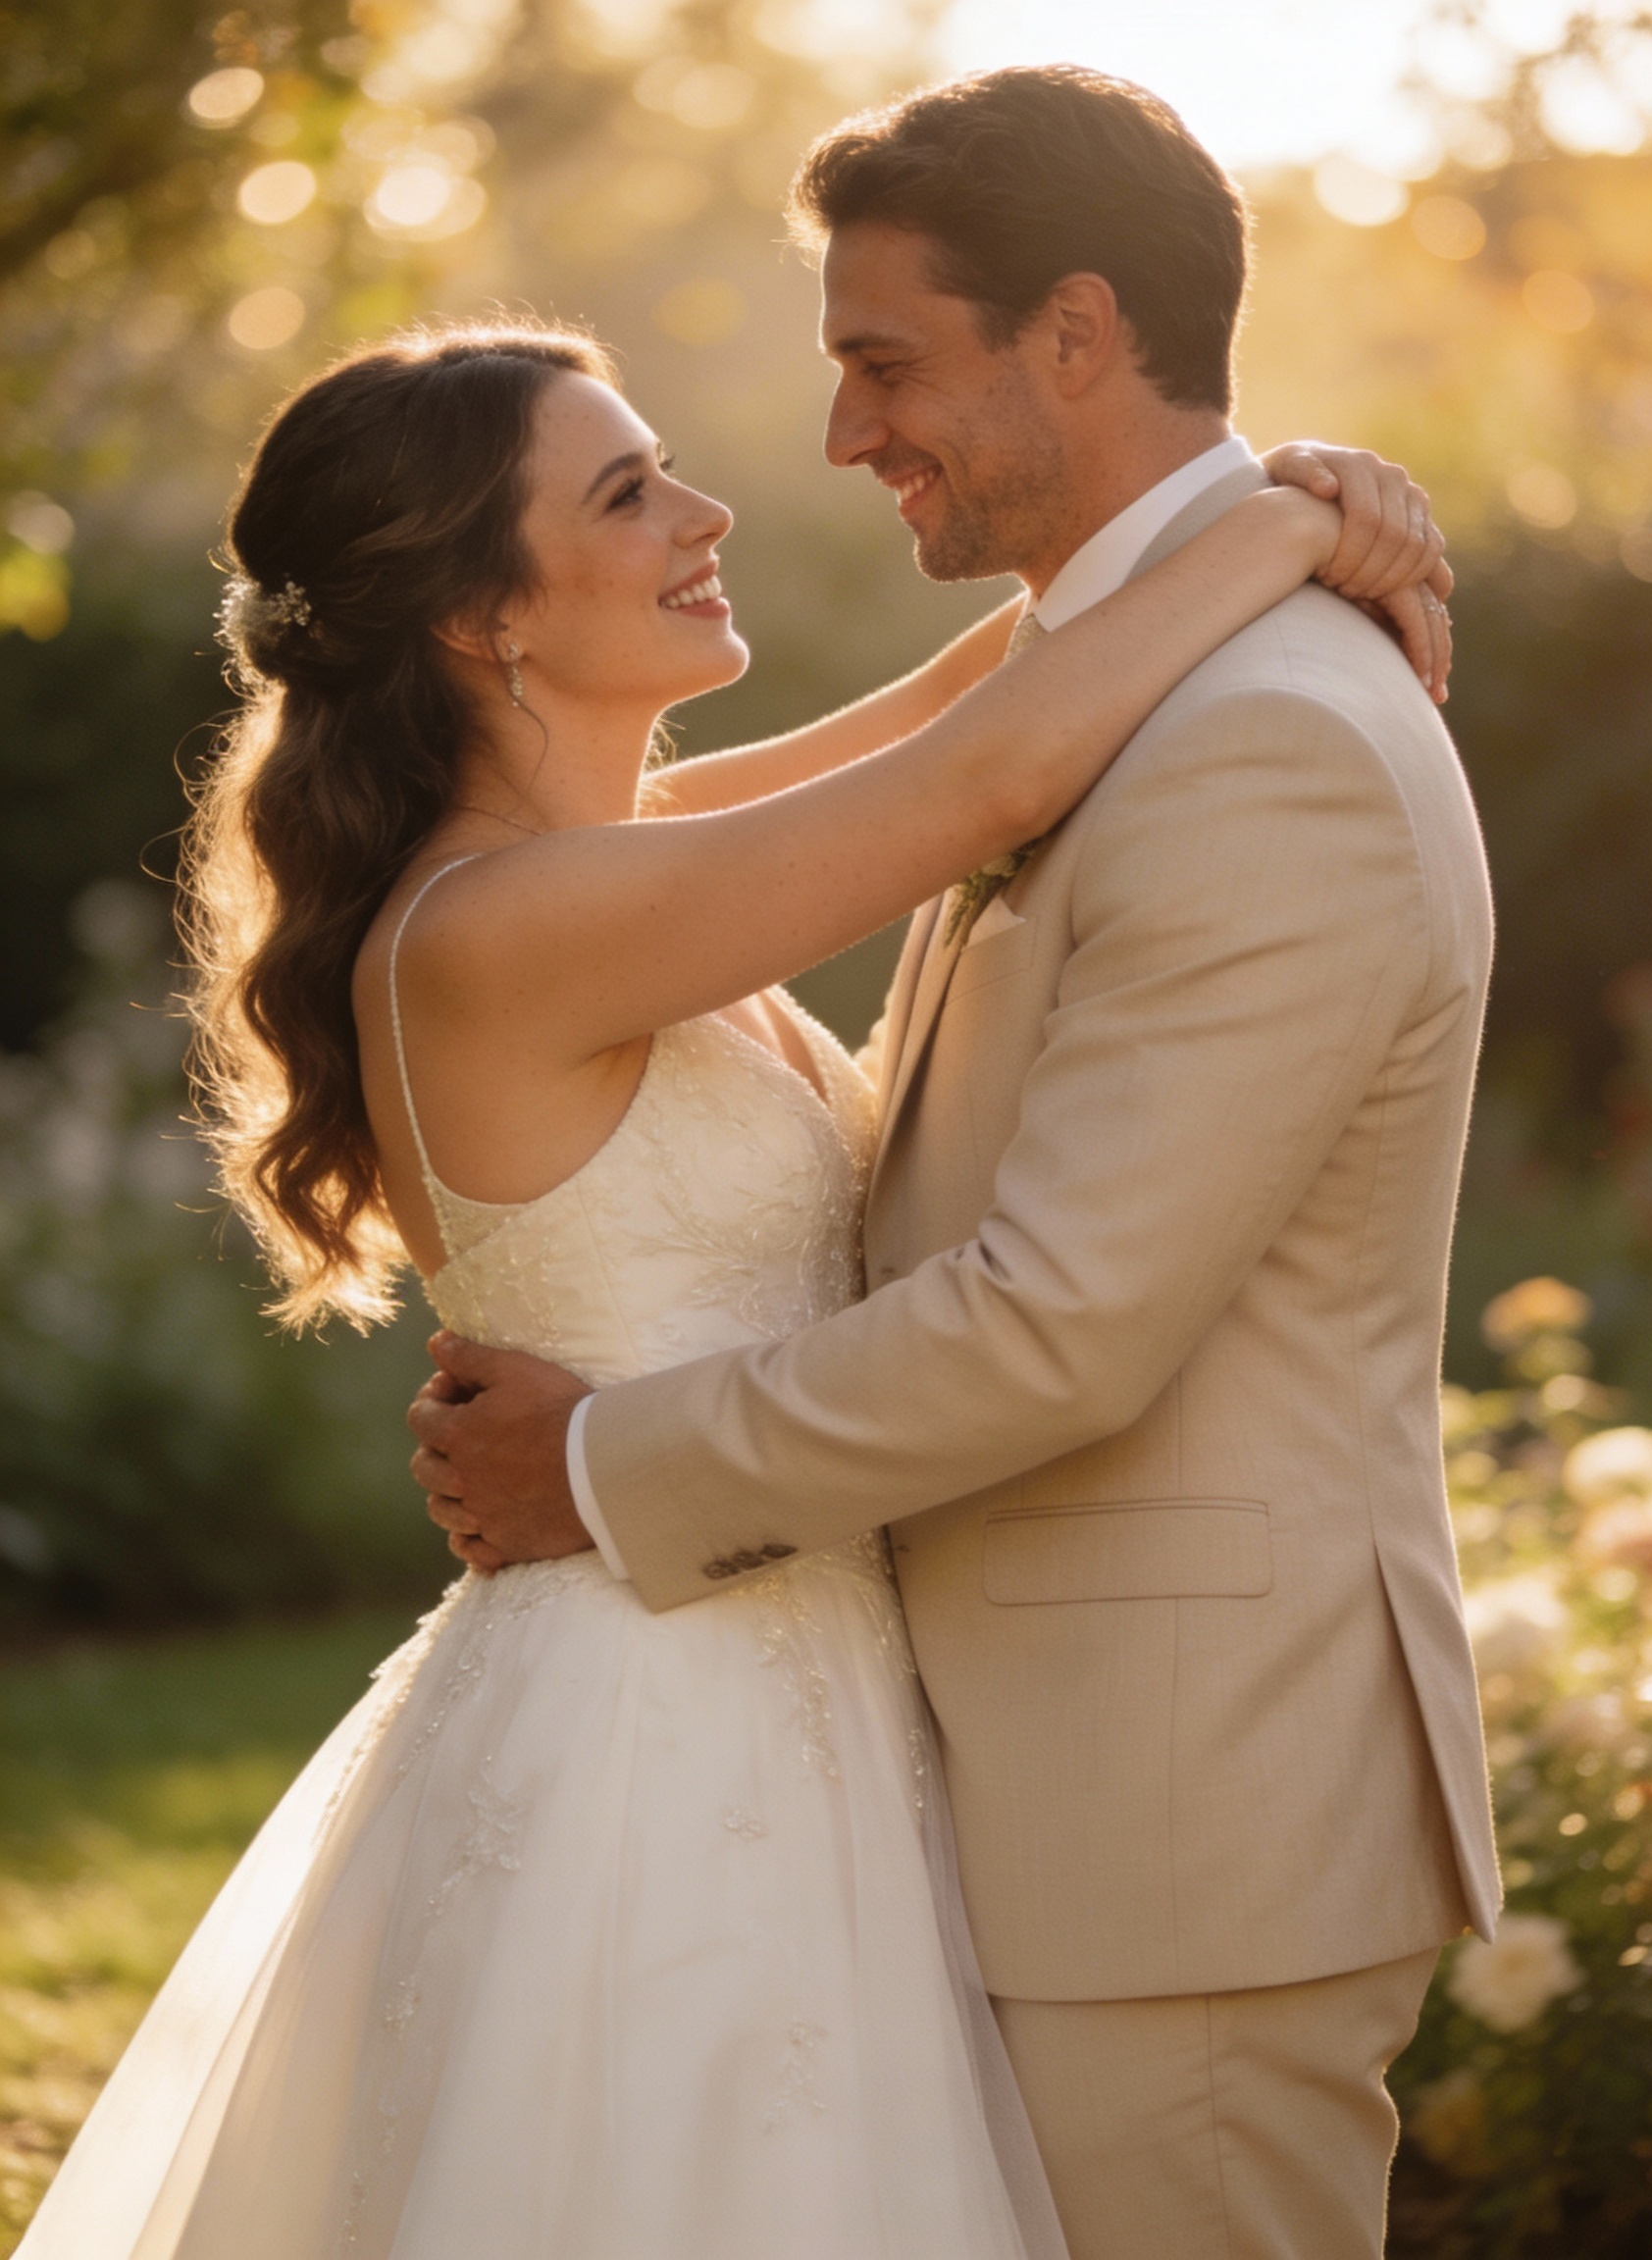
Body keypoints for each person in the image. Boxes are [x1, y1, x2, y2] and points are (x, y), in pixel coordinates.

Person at [16, 300, 1447, 2256]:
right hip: (658, 1712)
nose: (706, 508)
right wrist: (1288, 541)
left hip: (806, 1660)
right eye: (626, 492)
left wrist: (1282, 487)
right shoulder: (507, 928)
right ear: (479, 613)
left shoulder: (622, 858)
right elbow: (987, 780)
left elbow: (993, 689)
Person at [405, 66, 1500, 2260]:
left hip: (1178, 1832)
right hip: (1007, 1795)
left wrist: (609, 1465)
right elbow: (952, 761)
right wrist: (1283, 507)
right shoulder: (1117, 691)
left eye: (882, 361)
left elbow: (1064, 1321)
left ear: (1076, 335)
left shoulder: (1258, 736)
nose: (837, 438)